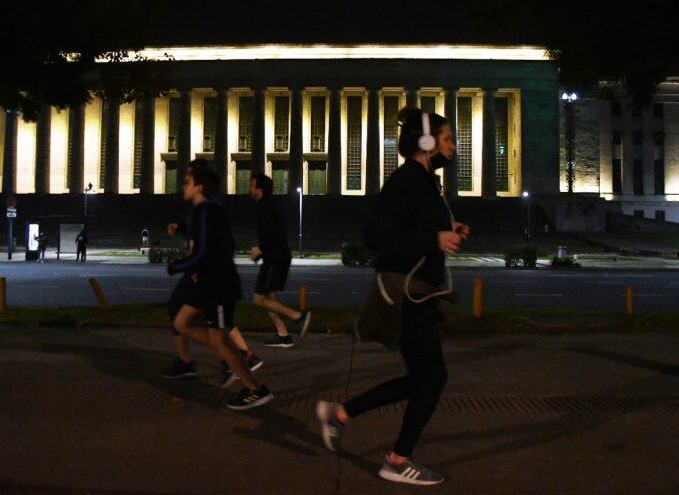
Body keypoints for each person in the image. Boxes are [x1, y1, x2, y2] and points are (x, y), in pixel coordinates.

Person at [316, 108, 470, 486]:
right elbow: (377, 237)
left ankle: (340, 415)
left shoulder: (424, 181)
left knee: (422, 378)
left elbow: (412, 227)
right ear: (427, 143)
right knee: (431, 378)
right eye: (447, 138)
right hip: (407, 295)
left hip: (420, 293)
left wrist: (448, 230)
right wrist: (434, 238)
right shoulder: (407, 180)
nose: (453, 145)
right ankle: (397, 461)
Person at [166, 159, 272, 409]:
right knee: (180, 322)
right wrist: (183, 231)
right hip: (208, 283)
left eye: (188, 182)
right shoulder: (205, 210)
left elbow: (205, 251)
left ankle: (255, 387)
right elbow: (210, 242)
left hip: (218, 286)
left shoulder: (207, 211)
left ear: (199, 187)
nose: (184, 185)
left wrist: (177, 266)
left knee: (217, 340)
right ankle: (228, 356)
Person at [249, 174, 311, 348]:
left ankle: (297, 317)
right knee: (269, 297)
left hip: (275, 259)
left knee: (258, 298)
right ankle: (283, 335)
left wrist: (259, 250)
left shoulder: (265, 207)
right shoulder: (267, 206)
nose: (249, 188)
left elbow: (272, 235)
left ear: (259, 188)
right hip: (275, 256)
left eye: (252, 185)